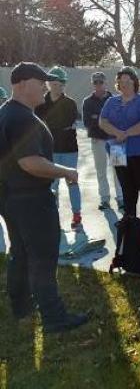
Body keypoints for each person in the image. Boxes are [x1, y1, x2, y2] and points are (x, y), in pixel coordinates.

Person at [0, 62, 88, 333]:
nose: (45, 86)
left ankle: (22, 307)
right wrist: (67, 172)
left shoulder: (5, 113)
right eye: (41, 81)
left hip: (10, 197)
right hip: (31, 200)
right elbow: (30, 162)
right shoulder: (22, 118)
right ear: (23, 84)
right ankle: (54, 317)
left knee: (21, 253)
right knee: (43, 257)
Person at [99, 66, 140, 218]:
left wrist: (126, 133)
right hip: (117, 151)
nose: (124, 84)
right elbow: (102, 121)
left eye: (127, 81)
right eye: (120, 81)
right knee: (126, 188)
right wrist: (116, 132)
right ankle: (130, 221)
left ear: (135, 83)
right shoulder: (111, 101)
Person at [34, 66, 83, 230]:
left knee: (72, 182)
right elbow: (38, 125)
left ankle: (77, 214)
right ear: (48, 84)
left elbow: (64, 124)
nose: (55, 86)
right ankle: (52, 216)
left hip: (69, 150)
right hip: (49, 151)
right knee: (51, 186)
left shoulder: (70, 104)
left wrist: (49, 126)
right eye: (52, 82)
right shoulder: (40, 103)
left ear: (63, 85)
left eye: (59, 83)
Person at [83, 71, 124, 211]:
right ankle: (104, 199)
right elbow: (87, 122)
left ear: (106, 83)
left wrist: (98, 118)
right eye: (96, 82)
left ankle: (121, 198)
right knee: (101, 171)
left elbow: (120, 120)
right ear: (92, 84)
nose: (98, 85)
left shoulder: (116, 99)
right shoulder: (87, 102)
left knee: (119, 170)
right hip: (97, 140)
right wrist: (103, 121)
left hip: (116, 140)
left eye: (101, 82)